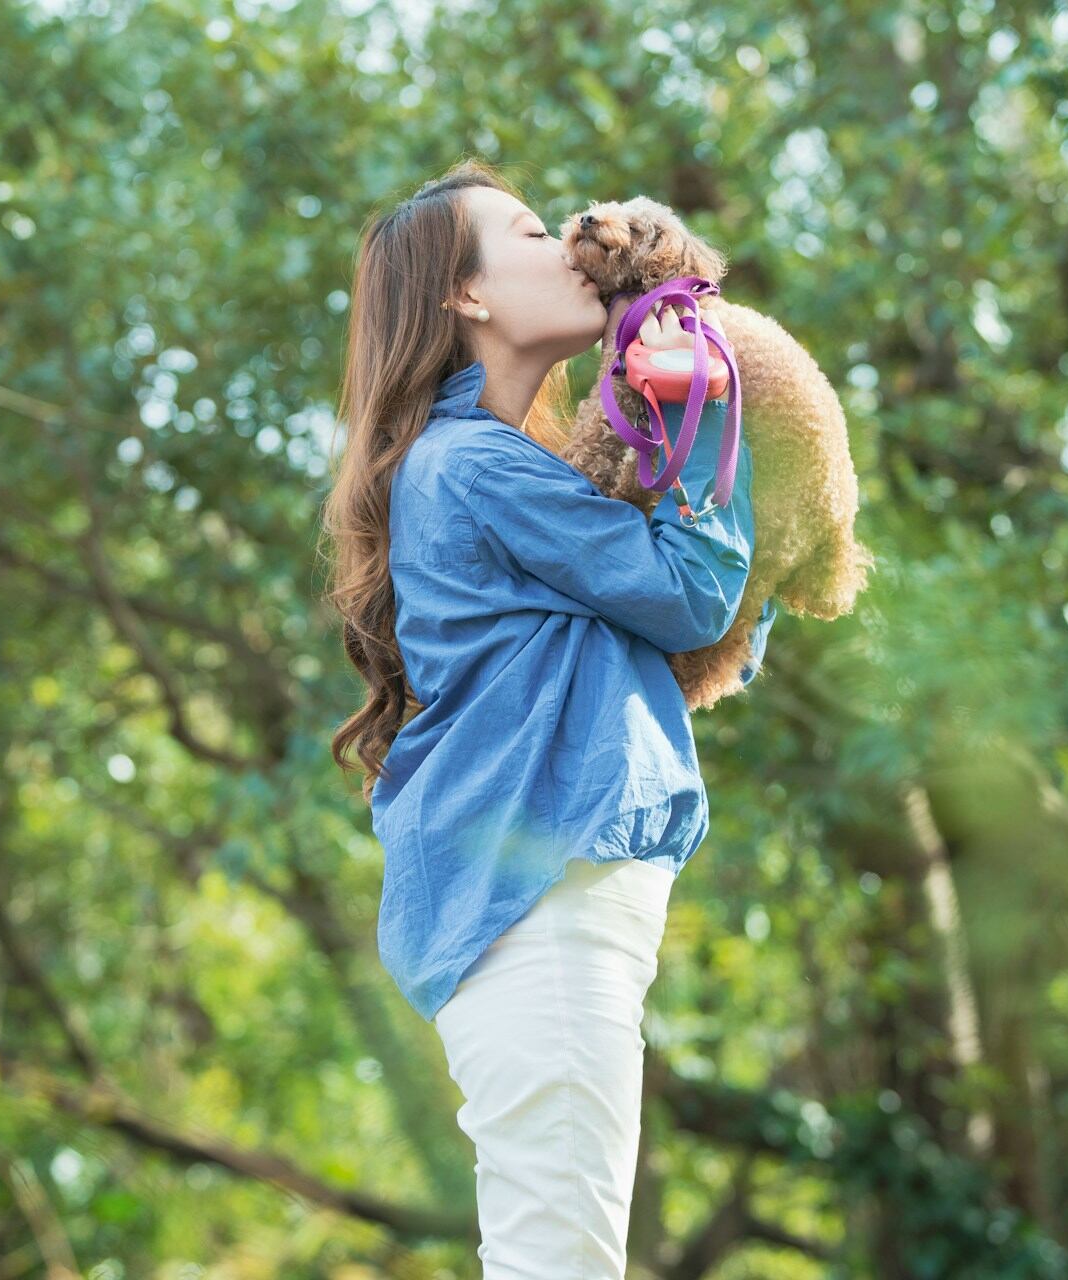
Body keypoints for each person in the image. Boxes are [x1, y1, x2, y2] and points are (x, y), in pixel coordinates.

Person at [320, 160, 771, 1278]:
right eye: (527, 233)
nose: (571, 245)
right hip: (541, 896)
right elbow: (693, 595)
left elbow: (688, 632)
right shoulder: (471, 463)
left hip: (540, 894)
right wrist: (714, 409)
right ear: (466, 296)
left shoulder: (488, 464)